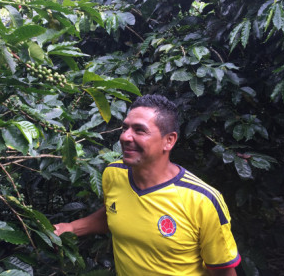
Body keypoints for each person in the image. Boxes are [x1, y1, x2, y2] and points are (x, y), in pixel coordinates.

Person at [54, 94, 241, 276]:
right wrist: (70, 228)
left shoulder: (202, 200)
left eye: (139, 130)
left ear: (169, 140)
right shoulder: (113, 174)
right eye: (125, 128)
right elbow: (113, 213)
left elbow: (223, 270)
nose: (126, 137)